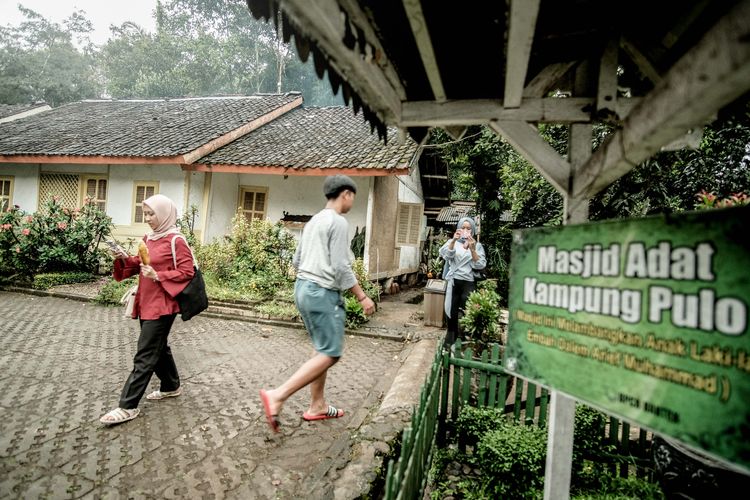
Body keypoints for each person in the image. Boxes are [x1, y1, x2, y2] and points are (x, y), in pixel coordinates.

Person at [259, 174, 376, 433]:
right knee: (331, 353)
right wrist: (362, 296)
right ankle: (278, 395)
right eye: (352, 197)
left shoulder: (314, 221)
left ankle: (317, 405)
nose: (351, 202)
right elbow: (340, 266)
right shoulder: (338, 222)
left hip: (303, 288)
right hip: (322, 292)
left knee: (321, 348)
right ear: (346, 194)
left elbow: (297, 260)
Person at [100, 194, 195, 425]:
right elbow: (140, 264)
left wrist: (159, 275)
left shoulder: (176, 240)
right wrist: (123, 258)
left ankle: (128, 405)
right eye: (146, 213)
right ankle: (171, 386)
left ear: (164, 214)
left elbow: (187, 271)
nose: (148, 218)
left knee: (145, 353)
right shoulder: (149, 238)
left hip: (163, 305)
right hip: (146, 300)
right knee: (158, 347)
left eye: (152, 213)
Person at [439, 216, 486, 350]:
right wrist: (453, 240)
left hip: (468, 282)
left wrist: (472, 249)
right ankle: (451, 339)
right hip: (454, 280)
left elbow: (480, 265)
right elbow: (447, 257)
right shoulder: (451, 242)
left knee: (470, 310)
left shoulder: (477, 245)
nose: (465, 230)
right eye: (463, 227)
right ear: (459, 228)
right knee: (451, 310)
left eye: (468, 228)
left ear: (473, 230)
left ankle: (468, 339)